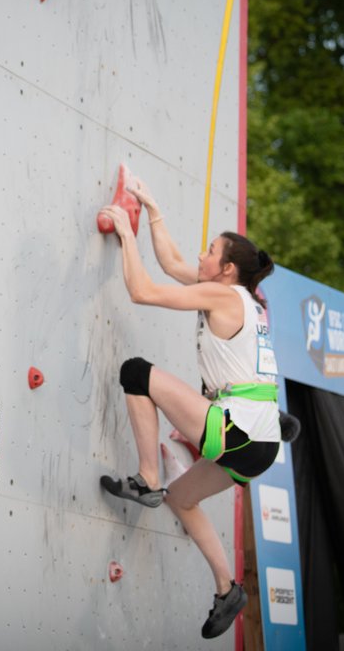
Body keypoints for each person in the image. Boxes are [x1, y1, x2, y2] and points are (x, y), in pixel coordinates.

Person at [98, 176, 280, 639]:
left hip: (241, 427)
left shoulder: (223, 296)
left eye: (211, 250)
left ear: (227, 270)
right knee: (184, 499)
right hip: (258, 443)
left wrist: (126, 231)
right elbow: (175, 263)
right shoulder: (239, 297)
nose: (202, 254)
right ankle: (227, 588)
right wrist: (153, 211)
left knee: (137, 373)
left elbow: (143, 291)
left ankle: (147, 479)